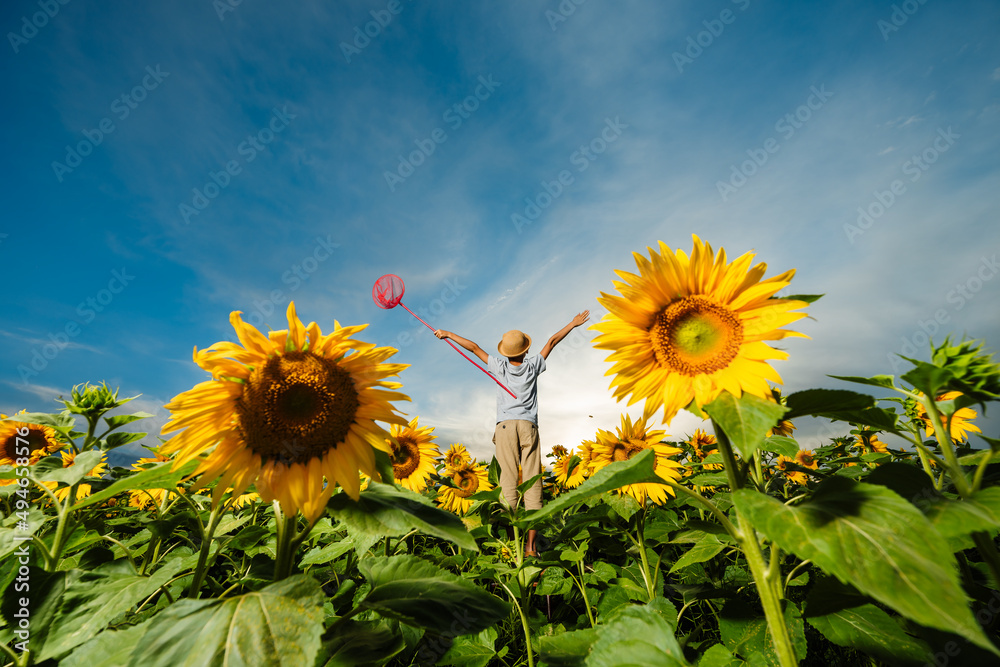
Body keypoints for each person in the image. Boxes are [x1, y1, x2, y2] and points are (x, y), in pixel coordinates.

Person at [434, 310, 590, 556]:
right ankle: (530, 547)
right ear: (526, 350)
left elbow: (474, 348)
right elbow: (552, 342)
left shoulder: (498, 366)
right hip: (528, 426)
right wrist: (572, 323)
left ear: (506, 352)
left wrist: (448, 334)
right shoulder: (534, 365)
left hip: (505, 427)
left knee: (507, 481)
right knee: (532, 480)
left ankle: (512, 542)